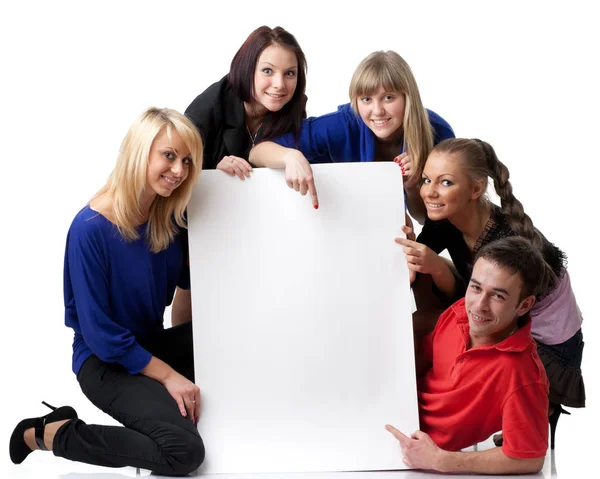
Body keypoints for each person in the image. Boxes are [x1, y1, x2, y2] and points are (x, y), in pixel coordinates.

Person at [9, 107, 206, 476]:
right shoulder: (89, 229)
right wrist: (170, 376)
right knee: (184, 452)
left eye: (187, 161)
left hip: (147, 346)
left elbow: (187, 288)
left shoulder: (167, 219)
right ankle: (52, 434)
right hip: (105, 363)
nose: (179, 170)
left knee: (226, 341)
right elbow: (101, 336)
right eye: (168, 156)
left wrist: (198, 353)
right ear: (139, 152)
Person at [396, 138, 585, 448]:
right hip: (501, 310)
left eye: (445, 183)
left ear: (475, 189)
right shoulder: (444, 218)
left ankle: (522, 415)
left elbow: (485, 304)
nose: (429, 192)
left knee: (450, 320)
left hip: (546, 338)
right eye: (427, 180)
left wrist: (438, 268)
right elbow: (442, 280)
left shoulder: (506, 242)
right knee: (427, 301)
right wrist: (401, 229)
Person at [386, 237, 551, 474]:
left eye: (498, 296)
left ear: (524, 306)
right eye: (476, 287)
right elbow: (424, 362)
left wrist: (441, 460)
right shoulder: (457, 313)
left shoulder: (521, 372)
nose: (478, 306)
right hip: (385, 416)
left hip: (409, 456)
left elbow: (529, 458)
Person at [249, 50, 455, 222]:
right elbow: (257, 152)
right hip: (337, 221)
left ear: (408, 97)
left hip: (391, 228)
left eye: (388, 97)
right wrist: (290, 156)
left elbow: (425, 219)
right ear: (356, 102)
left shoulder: (437, 132)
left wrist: (411, 186)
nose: (377, 111)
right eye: (366, 99)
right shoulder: (343, 124)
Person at [185, 25, 307, 179]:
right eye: (267, 71)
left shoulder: (294, 108)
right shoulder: (207, 108)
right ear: (247, 69)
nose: (279, 84)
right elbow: (180, 175)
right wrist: (213, 173)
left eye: (289, 73)